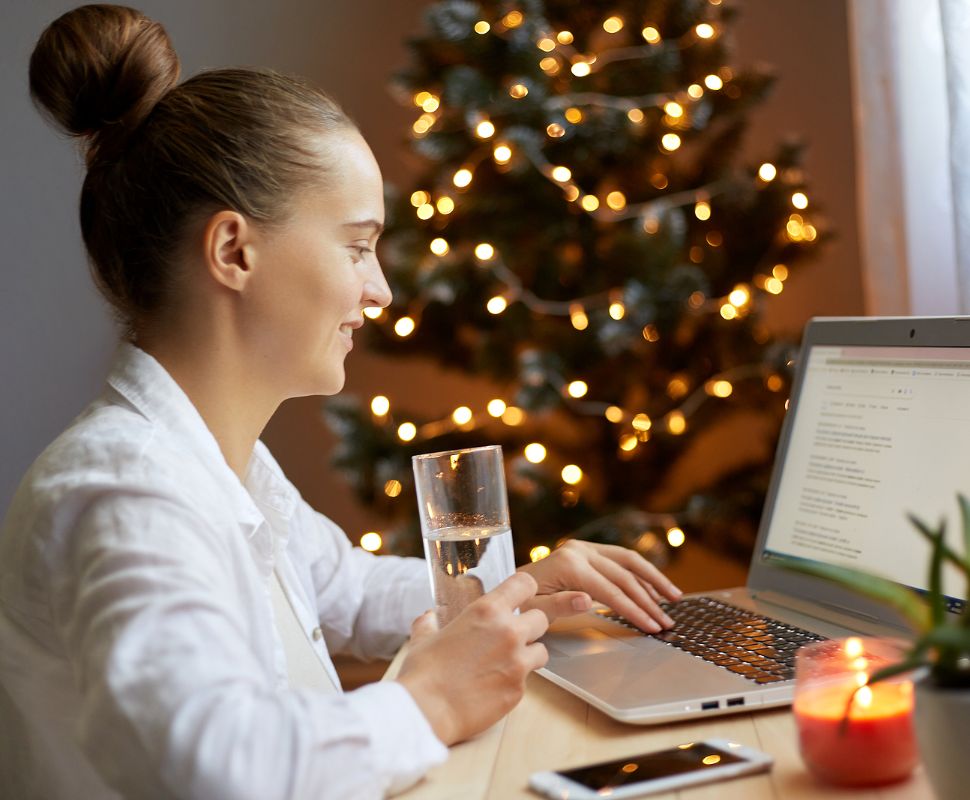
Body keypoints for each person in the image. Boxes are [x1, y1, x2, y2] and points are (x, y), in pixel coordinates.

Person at [0, 5, 683, 799]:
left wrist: (526, 587)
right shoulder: (125, 493)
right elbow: (216, 764)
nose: (380, 290)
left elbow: (346, 591)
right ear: (233, 251)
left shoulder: (225, 464)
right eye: (357, 246)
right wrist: (426, 701)